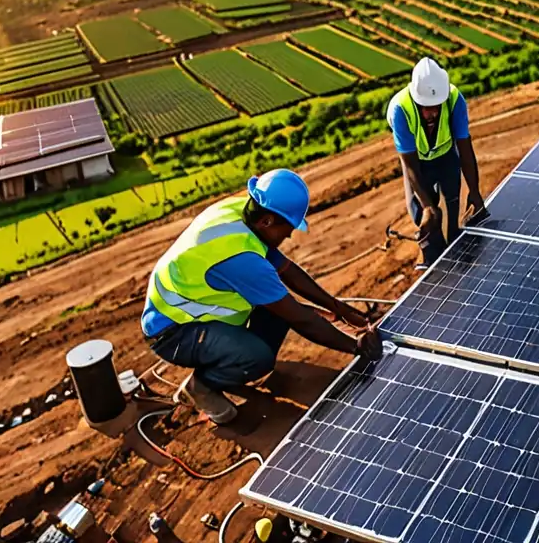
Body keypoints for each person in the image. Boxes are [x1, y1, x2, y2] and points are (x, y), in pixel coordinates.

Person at [141, 169, 383, 424]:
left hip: (191, 310)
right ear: (268, 221)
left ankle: (230, 357)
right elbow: (300, 318)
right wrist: (356, 347)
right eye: (288, 228)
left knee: (276, 314)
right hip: (173, 332)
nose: (289, 235)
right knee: (258, 358)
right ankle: (202, 386)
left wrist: (339, 308)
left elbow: (286, 269)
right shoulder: (241, 259)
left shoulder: (244, 212)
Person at [387, 57, 487, 269]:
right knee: (423, 215)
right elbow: (410, 165)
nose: (431, 113)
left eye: (435, 107)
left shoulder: (454, 101)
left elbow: (465, 149)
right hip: (418, 164)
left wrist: (475, 191)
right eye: (425, 107)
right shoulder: (401, 111)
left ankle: (455, 245)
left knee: (452, 202)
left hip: (446, 157)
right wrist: (428, 207)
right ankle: (437, 264)